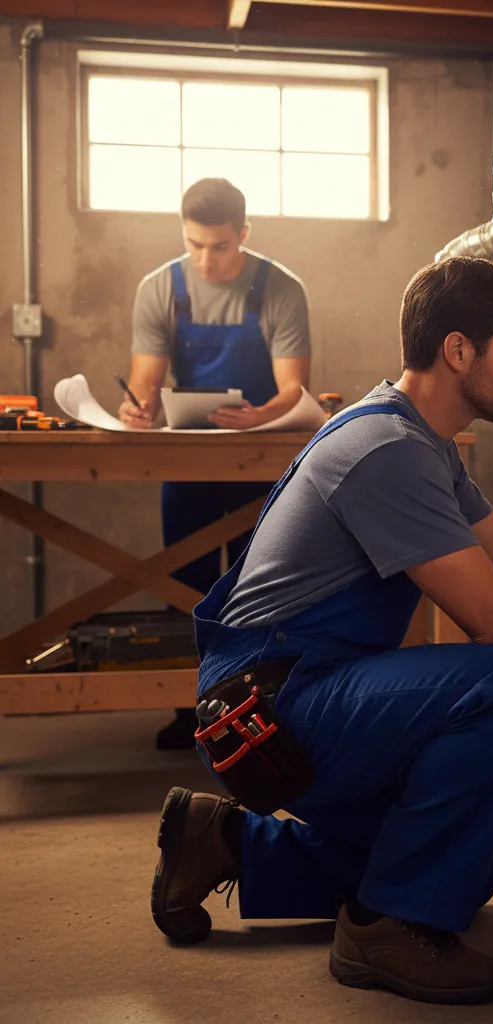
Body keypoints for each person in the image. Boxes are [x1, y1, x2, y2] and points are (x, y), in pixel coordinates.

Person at [150, 257, 493, 1005]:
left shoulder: (416, 437)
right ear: (459, 351)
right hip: (263, 712)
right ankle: (385, 930)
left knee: (465, 872)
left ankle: (224, 845)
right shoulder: (387, 453)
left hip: (287, 694)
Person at [118, 178, 311, 750]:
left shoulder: (281, 288)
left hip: (263, 457)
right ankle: (192, 713)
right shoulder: (159, 289)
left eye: (220, 246)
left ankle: (263, 713)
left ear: (243, 235)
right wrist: (139, 406)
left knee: (262, 583)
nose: (206, 258)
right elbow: (145, 383)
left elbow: (293, 387)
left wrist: (265, 415)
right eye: (194, 244)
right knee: (188, 583)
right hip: (190, 457)